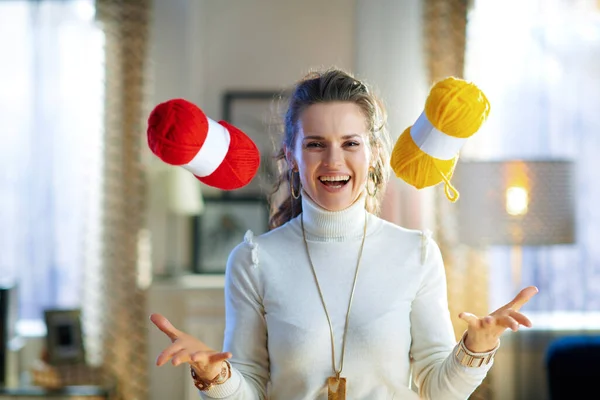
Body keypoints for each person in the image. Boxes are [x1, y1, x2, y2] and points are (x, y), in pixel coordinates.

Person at [150, 68, 538, 399]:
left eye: (350, 143)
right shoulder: (253, 260)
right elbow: (250, 388)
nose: (333, 160)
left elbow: (437, 389)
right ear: (292, 156)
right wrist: (212, 375)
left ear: (372, 154)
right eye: (315, 144)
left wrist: (476, 348)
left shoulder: (415, 253)